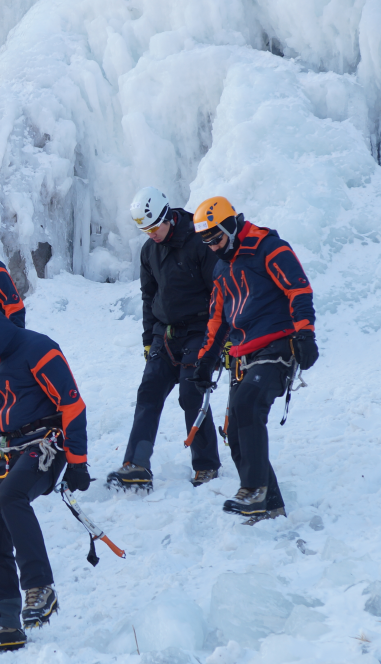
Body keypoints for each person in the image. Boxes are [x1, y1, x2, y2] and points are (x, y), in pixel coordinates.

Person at [0, 296, 90, 656]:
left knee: (9, 496)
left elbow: (72, 403)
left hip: (47, 444)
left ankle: (40, 587)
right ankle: (7, 624)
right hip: (8, 449)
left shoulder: (38, 348)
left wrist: (77, 461)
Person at [189, 196, 318, 523]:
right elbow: (217, 321)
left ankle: (254, 489)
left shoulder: (267, 247)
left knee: (248, 406)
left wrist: (305, 333)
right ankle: (269, 507)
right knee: (235, 435)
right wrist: (204, 361)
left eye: (217, 238)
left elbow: (298, 288)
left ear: (231, 225)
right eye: (207, 243)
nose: (215, 247)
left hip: (277, 347)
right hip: (242, 356)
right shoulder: (221, 269)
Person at [107, 187, 221, 492]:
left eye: (154, 227)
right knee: (148, 393)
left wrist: (219, 338)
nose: (151, 234)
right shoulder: (149, 251)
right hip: (164, 335)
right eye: (145, 230)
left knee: (191, 394)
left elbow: (218, 293)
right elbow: (148, 297)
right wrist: (148, 339)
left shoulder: (198, 243)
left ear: (168, 217)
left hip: (199, 332)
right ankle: (136, 464)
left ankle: (206, 464)